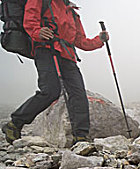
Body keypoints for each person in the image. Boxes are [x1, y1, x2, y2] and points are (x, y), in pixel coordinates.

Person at [1, 0, 108, 145]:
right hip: (46, 49)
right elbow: (29, 20)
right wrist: (37, 32)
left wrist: (99, 40)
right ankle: (15, 123)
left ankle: (81, 137)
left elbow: (81, 41)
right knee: (50, 91)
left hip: (68, 55)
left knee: (78, 94)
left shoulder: (72, 11)